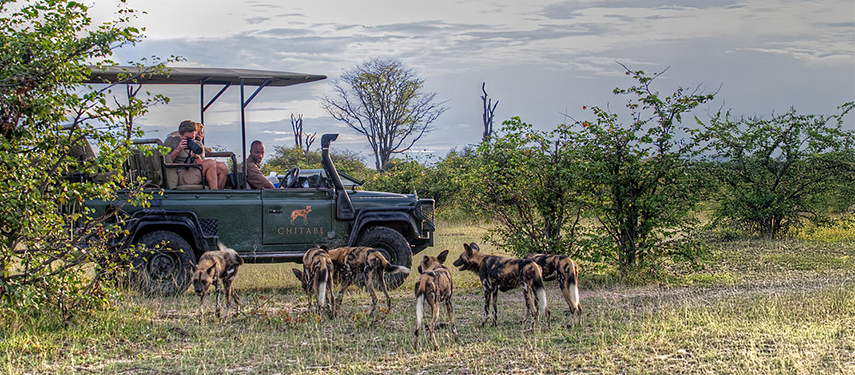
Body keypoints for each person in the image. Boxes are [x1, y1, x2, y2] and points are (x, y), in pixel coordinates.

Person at [164, 120, 227, 190]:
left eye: (192, 137)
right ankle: (214, 192)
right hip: (180, 173)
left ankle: (219, 194)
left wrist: (196, 157)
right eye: (187, 138)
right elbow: (165, 162)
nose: (190, 140)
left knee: (222, 167)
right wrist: (178, 150)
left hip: (194, 170)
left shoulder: (197, 144)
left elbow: (202, 164)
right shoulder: (171, 141)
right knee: (210, 162)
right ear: (180, 135)